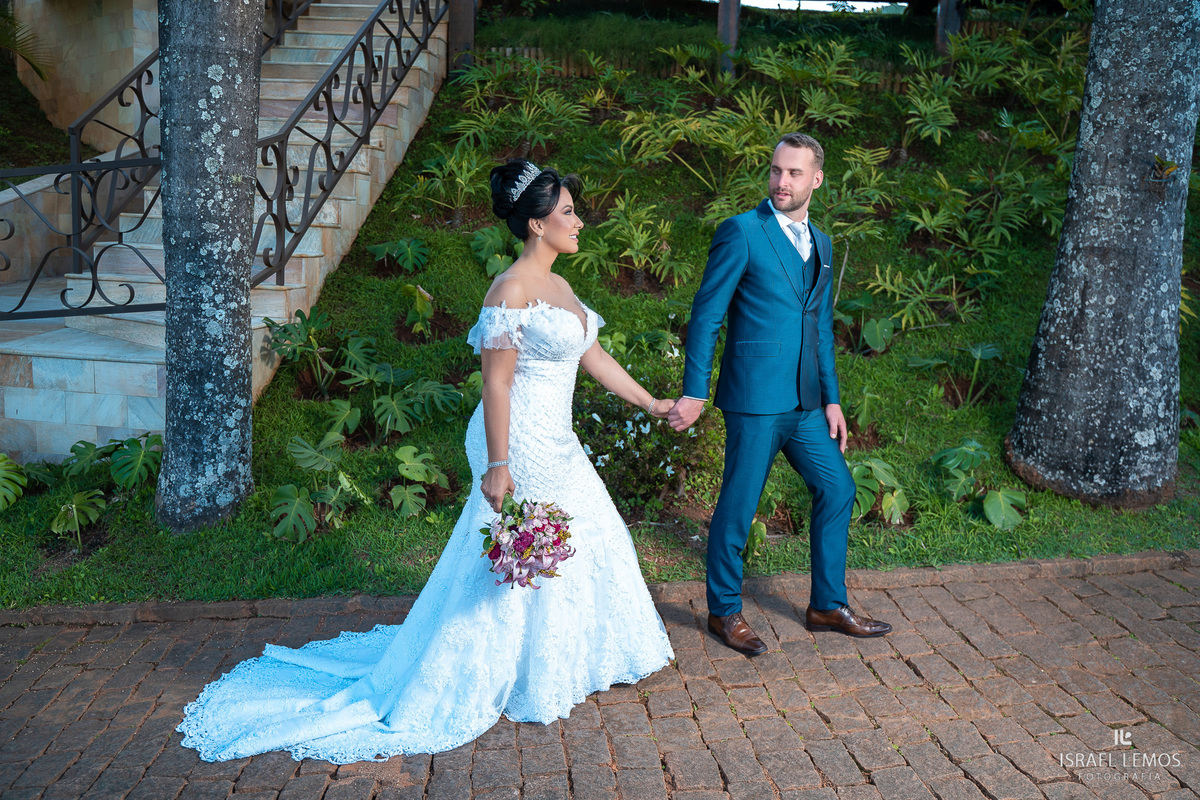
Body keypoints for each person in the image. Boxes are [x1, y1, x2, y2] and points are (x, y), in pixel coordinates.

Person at [176, 160, 675, 763]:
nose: (579, 222)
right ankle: (496, 671)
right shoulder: (510, 289)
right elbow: (495, 386)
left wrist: (652, 402)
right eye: (568, 212)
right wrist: (497, 463)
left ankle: (564, 660)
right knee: (521, 549)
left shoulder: (561, 286)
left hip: (558, 439)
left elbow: (592, 358)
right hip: (514, 439)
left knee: (584, 535)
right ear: (538, 225)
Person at [669, 133, 892, 655]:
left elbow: (819, 327)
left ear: (816, 179)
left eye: (793, 173)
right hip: (754, 400)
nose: (781, 181)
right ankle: (724, 612)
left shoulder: (824, 243)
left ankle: (826, 605)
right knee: (739, 504)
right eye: (775, 171)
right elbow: (706, 316)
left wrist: (832, 399)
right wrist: (695, 391)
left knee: (837, 488)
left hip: (807, 403)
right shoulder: (742, 232)